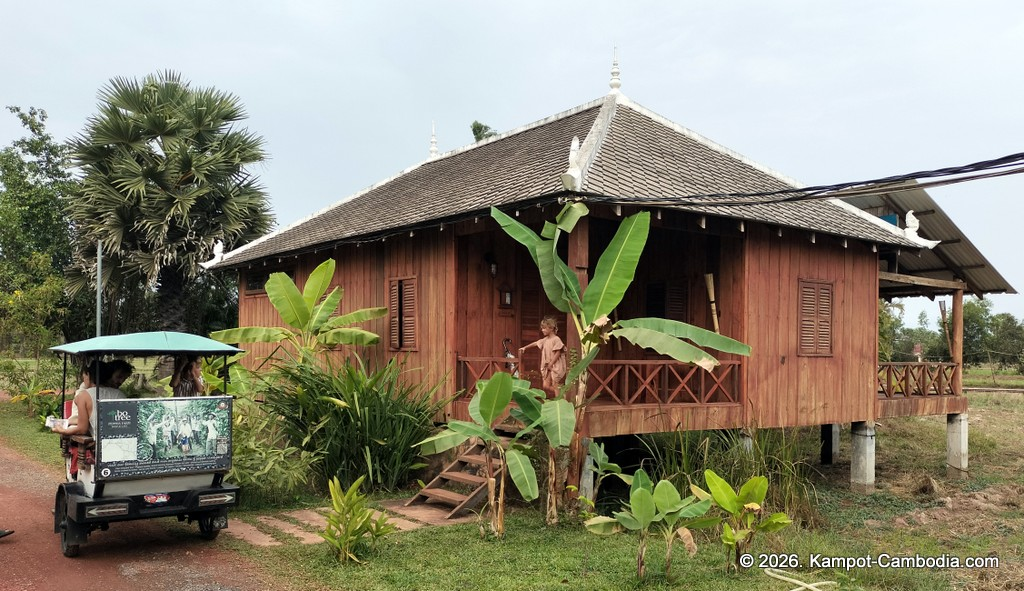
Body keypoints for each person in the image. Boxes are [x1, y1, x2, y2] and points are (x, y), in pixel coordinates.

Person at [519, 316, 567, 397]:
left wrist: (551, 364)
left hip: (554, 365)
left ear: (551, 328)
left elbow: (558, 352)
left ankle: (560, 400)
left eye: (544, 328)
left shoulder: (556, 339)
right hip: (547, 365)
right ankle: (560, 392)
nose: (542, 330)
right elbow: (536, 343)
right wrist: (525, 347)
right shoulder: (545, 339)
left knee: (555, 384)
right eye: (542, 328)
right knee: (545, 386)